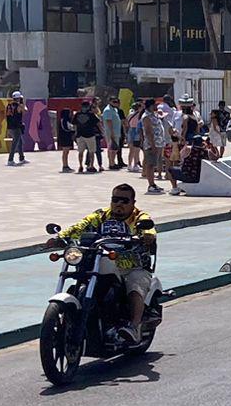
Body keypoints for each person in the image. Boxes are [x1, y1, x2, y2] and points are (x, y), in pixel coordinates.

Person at [51, 183, 158, 343]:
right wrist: (59, 237)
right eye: (115, 199)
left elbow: (149, 230)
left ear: (132, 203)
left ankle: (134, 327)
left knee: (135, 287)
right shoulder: (100, 216)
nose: (119, 204)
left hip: (132, 266)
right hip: (99, 261)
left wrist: (147, 236)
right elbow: (80, 225)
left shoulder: (139, 217)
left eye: (124, 200)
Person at [140, 102, 169, 194]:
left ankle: (153, 184)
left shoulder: (154, 115)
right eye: (154, 105)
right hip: (152, 144)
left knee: (154, 164)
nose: (156, 107)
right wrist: (153, 145)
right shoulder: (146, 117)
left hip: (158, 143)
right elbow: (148, 132)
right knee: (151, 165)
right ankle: (151, 184)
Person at [100, 97, 124, 170]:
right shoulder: (108, 110)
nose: (116, 103)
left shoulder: (115, 110)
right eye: (114, 101)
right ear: (110, 101)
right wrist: (112, 133)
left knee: (114, 148)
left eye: (116, 101)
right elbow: (109, 122)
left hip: (116, 131)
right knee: (112, 148)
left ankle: (112, 162)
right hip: (111, 132)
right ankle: (111, 163)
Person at [4, 91, 27, 165]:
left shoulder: (8, 106)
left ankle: (21, 158)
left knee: (20, 142)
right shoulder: (18, 106)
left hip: (10, 127)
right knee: (15, 143)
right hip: (16, 127)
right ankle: (10, 160)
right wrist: (22, 103)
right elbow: (25, 111)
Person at [56, 105, 77, 172]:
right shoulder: (64, 120)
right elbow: (68, 128)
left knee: (66, 152)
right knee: (65, 152)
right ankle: (65, 165)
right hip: (65, 138)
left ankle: (66, 165)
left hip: (66, 138)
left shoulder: (65, 120)